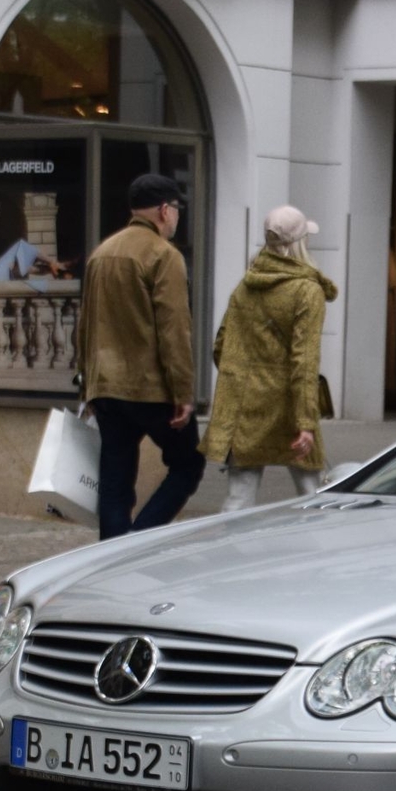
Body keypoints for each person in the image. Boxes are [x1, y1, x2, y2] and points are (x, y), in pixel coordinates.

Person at [80, 172, 203, 538]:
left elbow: (84, 326)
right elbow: (174, 330)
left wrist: (88, 384)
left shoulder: (101, 254)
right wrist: (183, 393)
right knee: (188, 465)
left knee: (116, 478)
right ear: (165, 210)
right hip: (151, 388)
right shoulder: (164, 256)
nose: (177, 217)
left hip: (106, 386)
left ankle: (110, 552)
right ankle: (139, 540)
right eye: (177, 209)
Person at [206, 206, 335, 511]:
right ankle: (321, 554)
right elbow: (304, 361)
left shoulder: (247, 285)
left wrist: (245, 381)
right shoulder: (307, 290)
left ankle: (229, 554)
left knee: (240, 494)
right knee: (312, 491)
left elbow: (221, 346)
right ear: (300, 243)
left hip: (246, 405)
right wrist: (305, 422)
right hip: (290, 405)